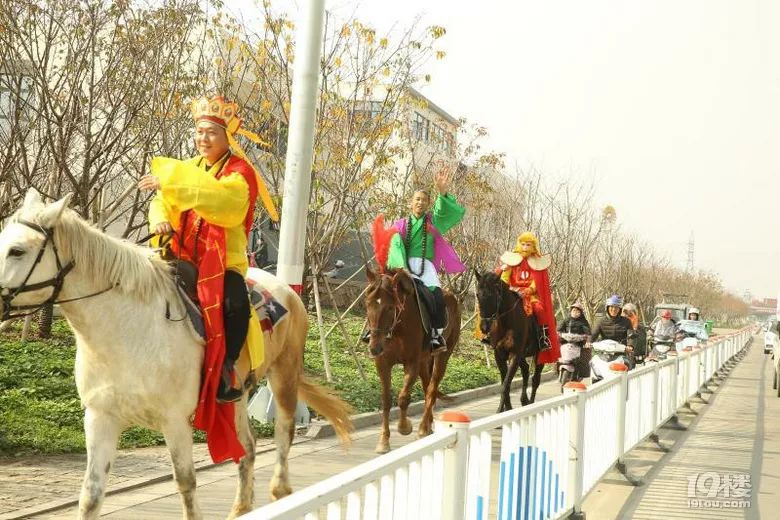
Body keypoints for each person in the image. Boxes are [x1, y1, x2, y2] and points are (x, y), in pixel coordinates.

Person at [138, 95, 279, 410]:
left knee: (235, 302)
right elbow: (162, 200)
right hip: (183, 254)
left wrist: (171, 185)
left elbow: (222, 204)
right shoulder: (186, 169)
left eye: (212, 132)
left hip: (224, 261)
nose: (204, 138)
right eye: (200, 132)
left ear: (227, 136)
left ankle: (226, 369)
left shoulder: (240, 173)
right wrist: (161, 218)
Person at [366, 162, 466, 354]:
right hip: (401, 265)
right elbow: (394, 241)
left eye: (424, 200)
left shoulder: (433, 222)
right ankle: (371, 331)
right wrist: (401, 266)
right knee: (380, 294)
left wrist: (443, 192)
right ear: (411, 203)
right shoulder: (402, 224)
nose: (420, 203)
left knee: (436, 296)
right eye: (417, 199)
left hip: (425, 267)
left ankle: (436, 337)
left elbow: (444, 211)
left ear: (428, 204)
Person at [494, 232, 561, 363]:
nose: (525, 247)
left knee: (540, 310)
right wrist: (511, 288)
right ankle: (490, 335)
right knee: (495, 308)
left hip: (531, 296)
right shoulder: (512, 260)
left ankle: (543, 339)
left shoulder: (537, 261)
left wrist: (529, 290)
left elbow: (538, 281)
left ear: (533, 246)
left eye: (528, 244)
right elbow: (504, 278)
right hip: (513, 293)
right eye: (523, 244)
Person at [557, 301, 591, 377]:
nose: (575, 312)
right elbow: (559, 329)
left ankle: (580, 373)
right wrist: (559, 334)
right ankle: (557, 369)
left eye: (577, 311)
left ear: (581, 312)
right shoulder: (566, 319)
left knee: (583, 359)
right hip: (565, 342)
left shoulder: (583, 322)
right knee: (557, 355)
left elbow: (588, 332)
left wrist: (587, 341)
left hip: (578, 343)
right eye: (574, 310)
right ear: (571, 311)